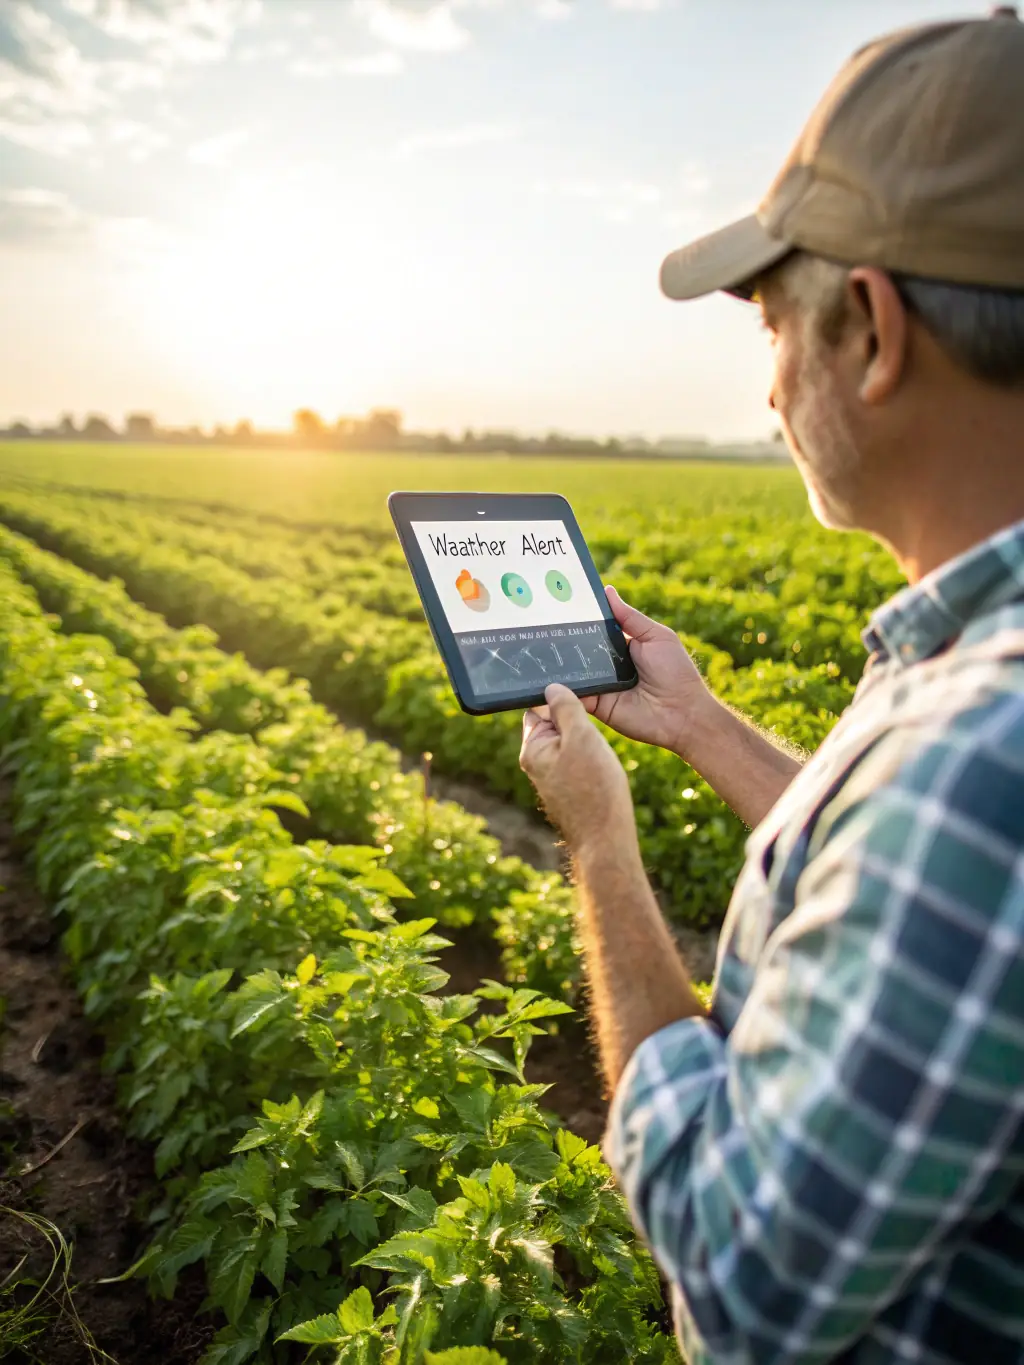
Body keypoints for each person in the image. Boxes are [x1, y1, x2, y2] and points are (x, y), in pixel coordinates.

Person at [519, 11, 1024, 1364]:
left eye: (768, 324)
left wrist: (603, 853)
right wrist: (693, 723)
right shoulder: (984, 711)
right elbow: (933, 896)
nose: (769, 394)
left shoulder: (984, 746)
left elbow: (746, 1286)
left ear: (871, 324)